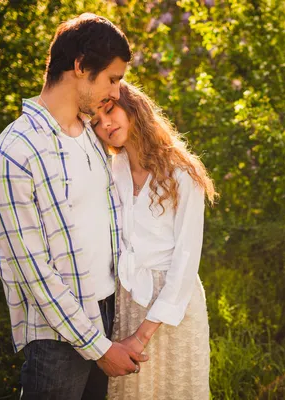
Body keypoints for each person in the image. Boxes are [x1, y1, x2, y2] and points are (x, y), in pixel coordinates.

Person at [0, 14, 147, 400]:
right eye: (112, 78)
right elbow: (33, 272)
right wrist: (99, 347)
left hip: (107, 314)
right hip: (57, 339)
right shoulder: (15, 153)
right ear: (79, 66)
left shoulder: (90, 136)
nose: (117, 90)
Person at [91, 81, 217, 399]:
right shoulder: (109, 171)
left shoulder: (182, 173)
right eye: (95, 121)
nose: (105, 124)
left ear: (133, 108)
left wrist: (142, 335)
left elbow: (186, 261)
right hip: (126, 299)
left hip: (173, 307)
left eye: (110, 110)